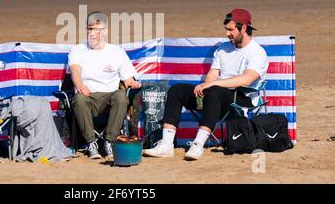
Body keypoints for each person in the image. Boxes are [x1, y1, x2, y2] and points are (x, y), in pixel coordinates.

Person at [143, 8, 268, 161]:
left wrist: (213, 85)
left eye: (230, 30)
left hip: (241, 97)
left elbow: (246, 80)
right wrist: (205, 86)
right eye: (226, 30)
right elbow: (213, 73)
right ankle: (167, 144)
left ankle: (198, 144)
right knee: (177, 90)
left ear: (243, 27)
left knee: (214, 91)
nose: (227, 34)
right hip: (217, 95)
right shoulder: (223, 49)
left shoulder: (257, 52)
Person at [67, 12, 142, 160]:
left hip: (110, 98)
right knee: (79, 99)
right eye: (90, 29)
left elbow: (127, 79)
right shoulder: (78, 50)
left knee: (121, 96)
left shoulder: (116, 52)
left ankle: (110, 141)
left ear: (106, 31)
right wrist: (80, 85)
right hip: (88, 97)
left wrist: (132, 83)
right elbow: (75, 71)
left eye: (97, 30)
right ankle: (90, 143)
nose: (93, 34)